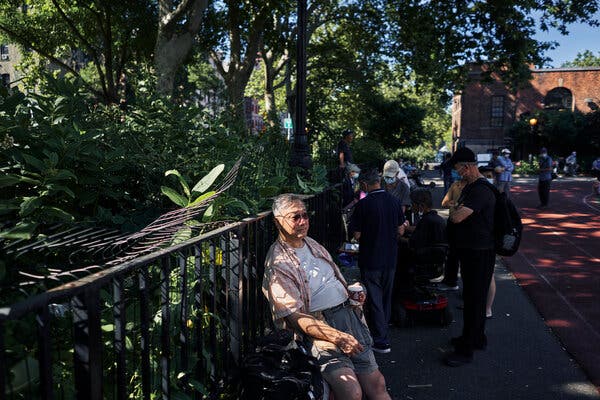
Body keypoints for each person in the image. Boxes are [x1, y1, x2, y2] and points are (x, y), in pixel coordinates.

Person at [262, 194, 391, 400]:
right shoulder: (278, 262)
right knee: (351, 391)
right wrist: (335, 336)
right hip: (321, 327)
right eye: (296, 217)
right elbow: (293, 316)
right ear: (278, 221)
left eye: (305, 215)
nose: (303, 222)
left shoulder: (311, 243)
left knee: (378, 384)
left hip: (348, 317)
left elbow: (330, 279)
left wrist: (350, 293)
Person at [444, 147, 496, 367]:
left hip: (479, 252)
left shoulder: (480, 190)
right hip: (474, 250)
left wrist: (456, 212)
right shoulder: (473, 187)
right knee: (475, 297)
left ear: (467, 167)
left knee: (474, 300)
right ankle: (476, 338)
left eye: (458, 169)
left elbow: (457, 217)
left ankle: (466, 350)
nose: (458, 174)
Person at [349, 168, 406, 354]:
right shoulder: (394, 202)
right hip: (391, 257)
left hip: (371, 257)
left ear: (364, 184)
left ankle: (380, 340)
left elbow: (357, 234)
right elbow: (400, 230)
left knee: (374, 299)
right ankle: (384, 333)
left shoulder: (363, 205)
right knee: (386, 297)